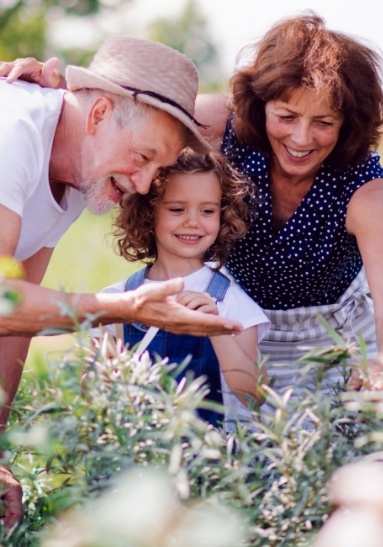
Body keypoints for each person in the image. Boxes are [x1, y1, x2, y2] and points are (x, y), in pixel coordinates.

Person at [0, 34, 243, 529]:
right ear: (98, 114)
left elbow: (15, 321)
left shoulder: (74, 173)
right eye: (142, 157)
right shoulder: (14, 133)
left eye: (157, 170)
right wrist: (126, 308)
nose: (142, 184)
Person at [90, 148, 270, 430]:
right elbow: (93, 396)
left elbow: (254, 394)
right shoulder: (117, 300)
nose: (193, 221)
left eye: (208, 210)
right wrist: (107, 374)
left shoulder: (231, 302)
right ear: (148, 212)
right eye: (177, 209)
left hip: (210, 464)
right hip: (137, 460)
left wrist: (216, 329)